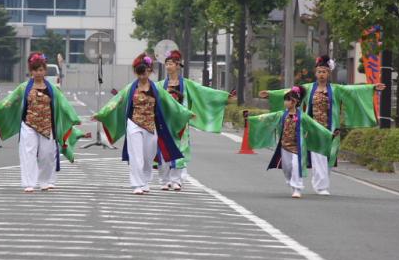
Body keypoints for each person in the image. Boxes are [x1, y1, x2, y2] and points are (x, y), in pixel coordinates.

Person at [259, 55, 384, 195]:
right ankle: (321, 186)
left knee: (328, 157)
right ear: (315, 73)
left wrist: (372, 87)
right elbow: (289, 93)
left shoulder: (336, 89)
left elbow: (353, 91)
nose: (321, 74)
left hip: (331, 129)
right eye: (319, 71)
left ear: (328, 73)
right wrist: (270, 94)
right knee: (318, 155)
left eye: (324, 71)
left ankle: (321, 183)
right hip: (313, 128)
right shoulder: (307, 88)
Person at [93, 52, 193, 195]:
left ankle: (145, 181)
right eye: (139, 74)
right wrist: (101, 114)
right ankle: (137, 184)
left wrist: (186, 113)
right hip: (134, 124)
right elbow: (117, 100)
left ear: (150, 71)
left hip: (151, 127)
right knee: (136, 156)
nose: (141, 77)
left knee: (148, 156)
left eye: (144, 73)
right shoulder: (131, 88)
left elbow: (171, 103)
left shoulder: (157, 88)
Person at [0, 52, 85, 193]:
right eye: (35, 70)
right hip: (28, 124)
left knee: (47, 154)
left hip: (47, 125)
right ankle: (29, 183)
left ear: (44, 71)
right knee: (28, 153)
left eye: (41, 70)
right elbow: (8, 101)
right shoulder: (23, 87)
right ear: (31, 71)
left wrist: (74, 117)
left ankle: (44, 181)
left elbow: (64, 104)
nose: (38, 73)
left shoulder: (52, 89)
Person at [159, 49, 235, 190]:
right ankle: (165, 180)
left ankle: (176, 180)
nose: (168, 66)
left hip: (181, 123)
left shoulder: (187, 84)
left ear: (177, 65)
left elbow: (205, 92)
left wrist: (224, 97)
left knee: (180, 150)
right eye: (167, 64)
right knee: (164, 150)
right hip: (165, 122)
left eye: (170, 63)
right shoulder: (160, 85)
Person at [245, 86, 334, 198]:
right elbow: (267, 118)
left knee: (296, 166)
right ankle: (291, 181)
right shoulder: (281, 114)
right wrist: (251, 119)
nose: (285, 102)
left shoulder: (303, 117)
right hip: (284, 146)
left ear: (294, 102)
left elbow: (315, 127)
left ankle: (297, 188)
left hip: (298, 147)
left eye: (287, 100)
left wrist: (330, 135)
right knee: (287, 167)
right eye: (285, 100)